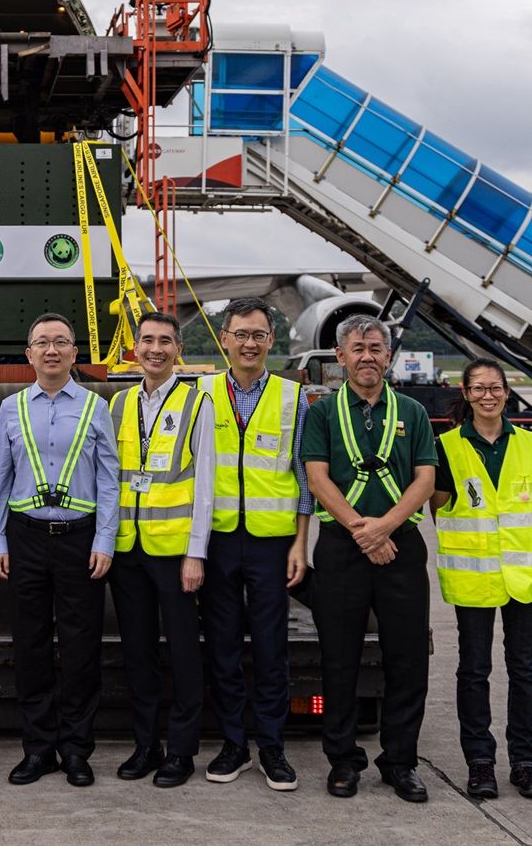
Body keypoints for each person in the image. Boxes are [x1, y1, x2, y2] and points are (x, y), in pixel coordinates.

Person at [302, 313, 436, 803]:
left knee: (407, 659)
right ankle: (343, 761)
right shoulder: (322, 412)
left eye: (376, 348)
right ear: (340, 357)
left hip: (400, 545)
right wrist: (363, 531)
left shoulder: (413, 413)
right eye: (357, 349)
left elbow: (424, 479)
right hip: (342, 547)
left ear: (388, 355)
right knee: (340, 658)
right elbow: (318, 478)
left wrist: (385, 527)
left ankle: (400, 762)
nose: (367, 357)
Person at [0, 312, 120, 788]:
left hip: (78, 542)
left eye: (60, 342)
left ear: (74, 353)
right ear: (28, 354)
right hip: (25, 539)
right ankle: (39, 748)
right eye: (41, 343)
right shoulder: (11, 408)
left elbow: (110, 482)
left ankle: (76, 750)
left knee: (81, 648)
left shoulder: (94, 407)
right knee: (31, 646)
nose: (51, 350)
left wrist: (105, 539)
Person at [197, 297, 309, 793]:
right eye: (240, 334)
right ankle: (233, 744)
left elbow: (305, 478)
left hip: (271, 543)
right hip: (218, 540)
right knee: (221, 647)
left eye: (259, 335)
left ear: (271, 341)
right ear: (224, 339)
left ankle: (272, 747)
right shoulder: (199, 395)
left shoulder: (293, 397)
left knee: (270, 648)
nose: (249, 343)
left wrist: (300, 544)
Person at [430, 358, 532, 801]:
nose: (487, 395)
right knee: (474, 672)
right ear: (466, 393)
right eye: (478, 388)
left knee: (525, 671)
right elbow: (439, 506)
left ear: (505, 392)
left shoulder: (530, 443)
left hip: (524, 575)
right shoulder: (446, 446)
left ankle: (525, 762)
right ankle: (480, 762)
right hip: (474, 577)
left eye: (495, 387)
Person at [106, 310, 213, 787]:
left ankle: (182, 752)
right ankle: (146, 744)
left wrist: (196, 553)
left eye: (164, 341)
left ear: (177, 350)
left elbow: (206, 483)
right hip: (129, 549)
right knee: (138, 652)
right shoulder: (119, 403)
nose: (154, 349)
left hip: (174, 552)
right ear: (135, 347)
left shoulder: (197, 403)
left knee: (185, 652)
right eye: (146, 340)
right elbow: (111, 481)